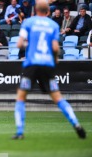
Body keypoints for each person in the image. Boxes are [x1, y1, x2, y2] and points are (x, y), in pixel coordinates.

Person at [12, 0, 86, 139]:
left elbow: (19, 44)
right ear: (48, 12)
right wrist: (55, 60)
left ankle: (20, 132)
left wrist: (30, 44)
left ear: (35, 10)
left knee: (21, 97)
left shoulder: (28, 22)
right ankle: (76, 124)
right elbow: (55, 48)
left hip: (32, 65)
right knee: (58, 98)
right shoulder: (53, 25)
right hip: (47, 64)